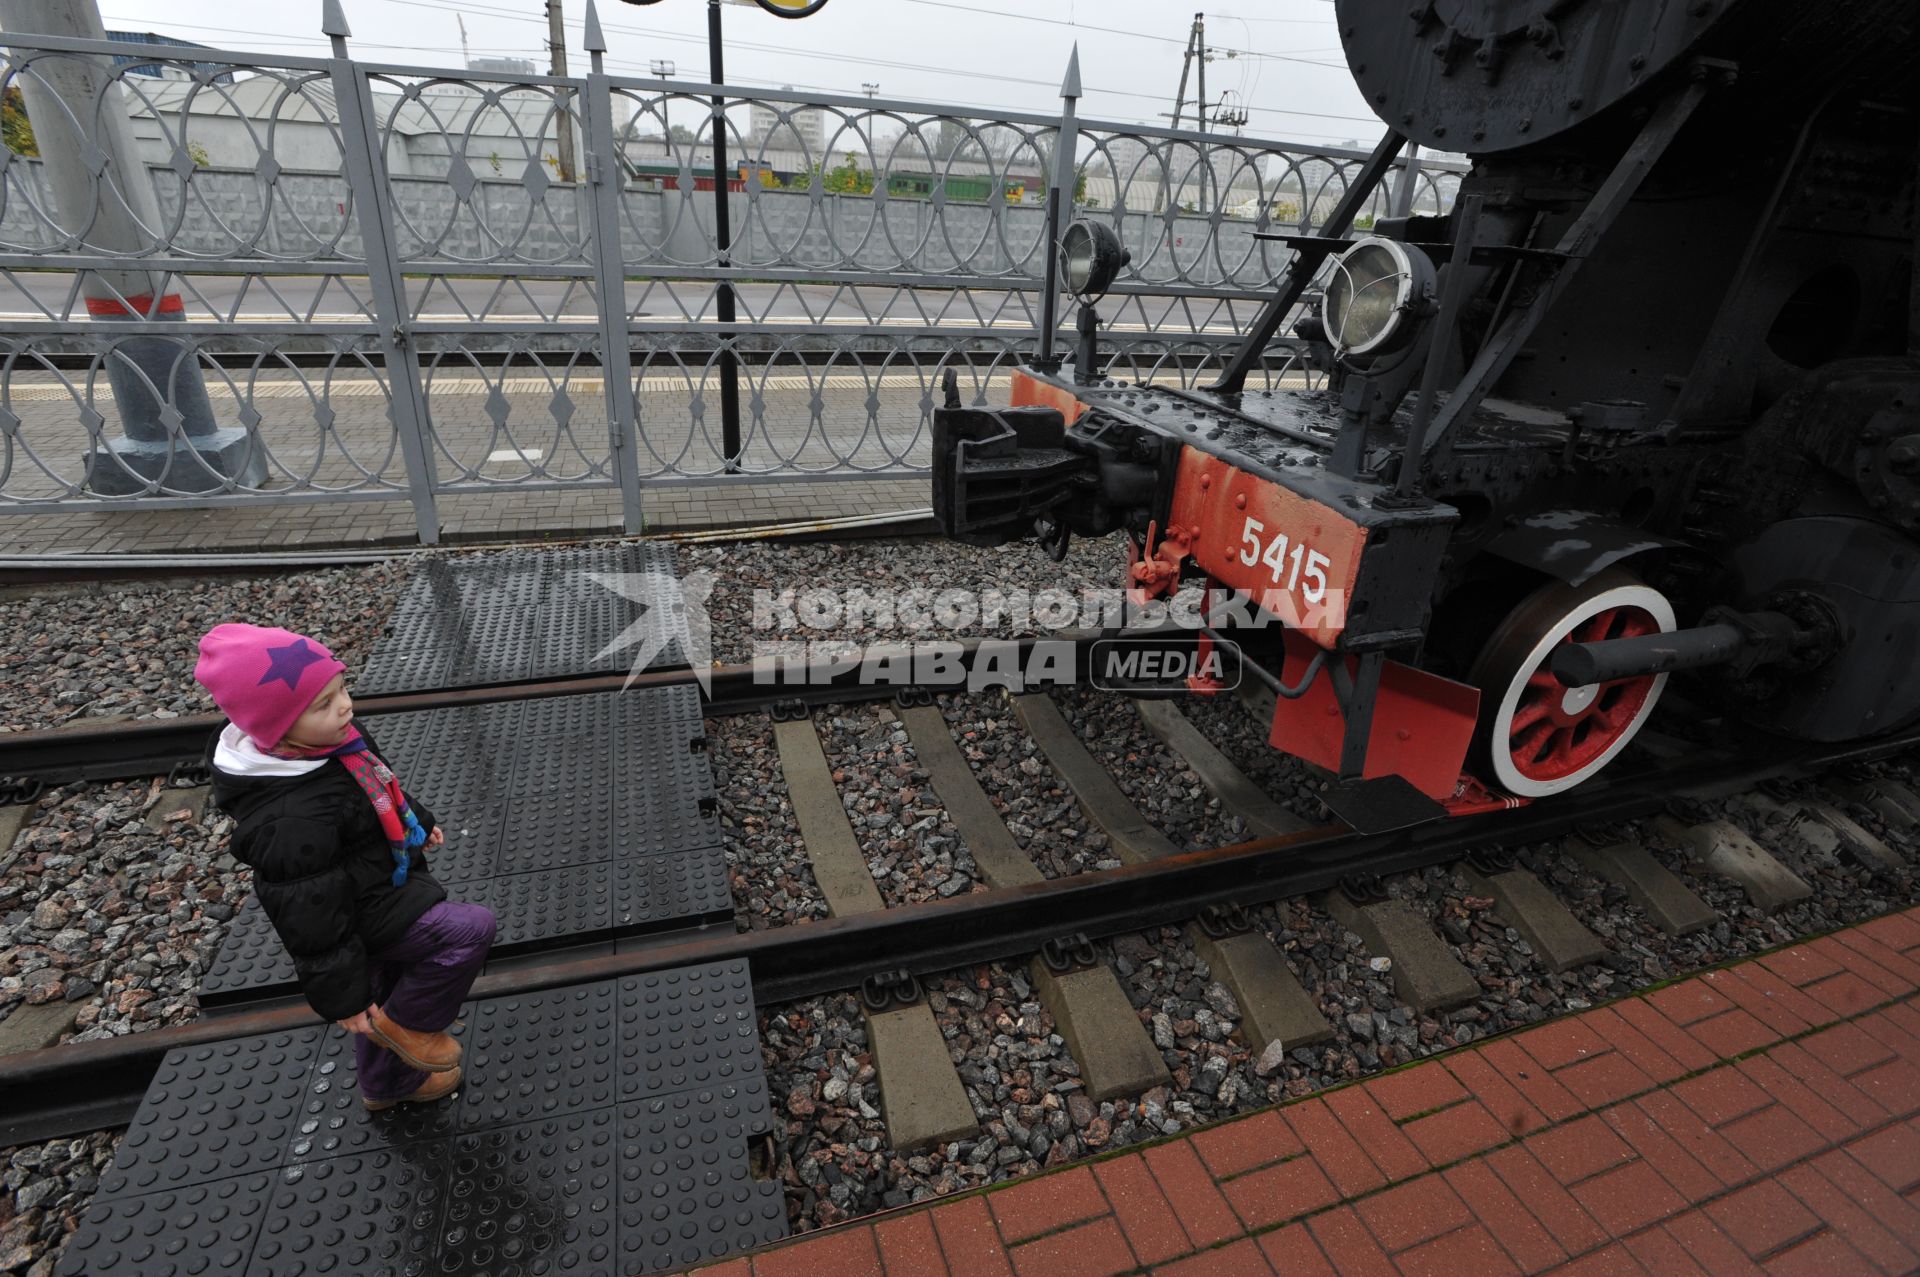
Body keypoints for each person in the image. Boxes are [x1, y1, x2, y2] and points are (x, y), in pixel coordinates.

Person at [195, 622, 496, 1110]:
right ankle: (408, 1030)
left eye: (342, 688)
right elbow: (305, 913)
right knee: (469, 931)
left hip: (374, 877)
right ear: (274, 726)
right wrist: (343, 997)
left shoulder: (332, 740)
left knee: (384, 985)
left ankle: (387, 1086)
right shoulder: (288, 817)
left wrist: (415, 820)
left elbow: (377, 780)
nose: (345, 706)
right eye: (323, 704)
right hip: (359, 909)